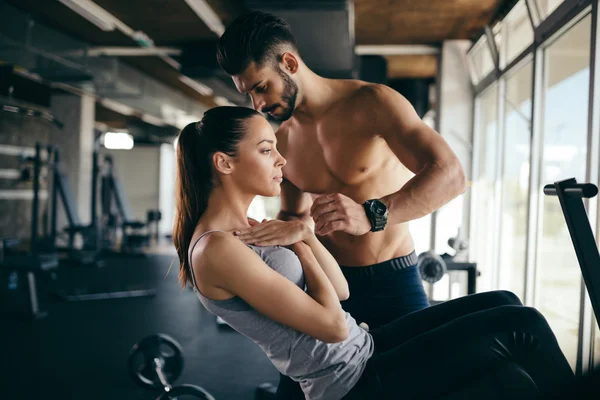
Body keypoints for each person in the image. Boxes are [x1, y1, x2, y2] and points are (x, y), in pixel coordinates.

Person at [173, 107, 572, 400]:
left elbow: (342, 290)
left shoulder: (248, 230)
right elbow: (330, 327)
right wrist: (298, 239)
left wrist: (304, 237)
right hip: (353, 381)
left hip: (366, 347)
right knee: (524, 326)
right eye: (265, 150)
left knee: (506, 302)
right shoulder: (217, 248)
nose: (281, 159)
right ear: (224, 163)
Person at [216, 11, 466, 397]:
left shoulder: (373, 103)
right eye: (248, 93)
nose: (258, 103)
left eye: (261, 87)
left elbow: (450, 174)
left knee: (418, 388)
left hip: (393, 279)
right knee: (298, 392)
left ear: (290, 63)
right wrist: (257, 238)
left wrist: (371, 214)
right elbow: (294, 215)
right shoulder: (284, 138)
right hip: (327, 285)